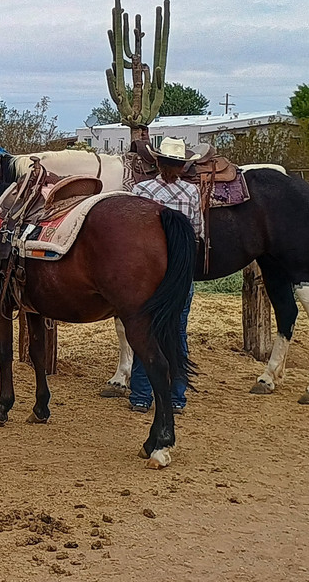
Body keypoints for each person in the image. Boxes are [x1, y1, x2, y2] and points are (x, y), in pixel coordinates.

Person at [128, 137, 203, 415]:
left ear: (158, 163)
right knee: (178, 332)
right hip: (179, 276)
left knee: (144, 331)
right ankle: (176, 397)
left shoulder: (141, 190)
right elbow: (197, 231)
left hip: (147, 276)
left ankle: (141, 395)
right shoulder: (192, 192)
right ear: (183, 166)